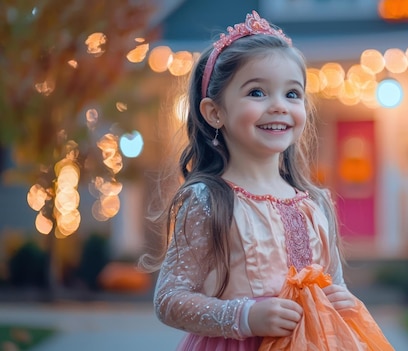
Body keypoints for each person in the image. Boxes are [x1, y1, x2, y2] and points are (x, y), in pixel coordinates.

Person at [141, 10, 392, 351]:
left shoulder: (315, 203)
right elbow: (169, 300)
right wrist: (245, 317)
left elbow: (334, 281)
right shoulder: (209, 200)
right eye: (257, 93)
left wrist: (341, 299)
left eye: (292, 94)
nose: (278, 106)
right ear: (215, 112)